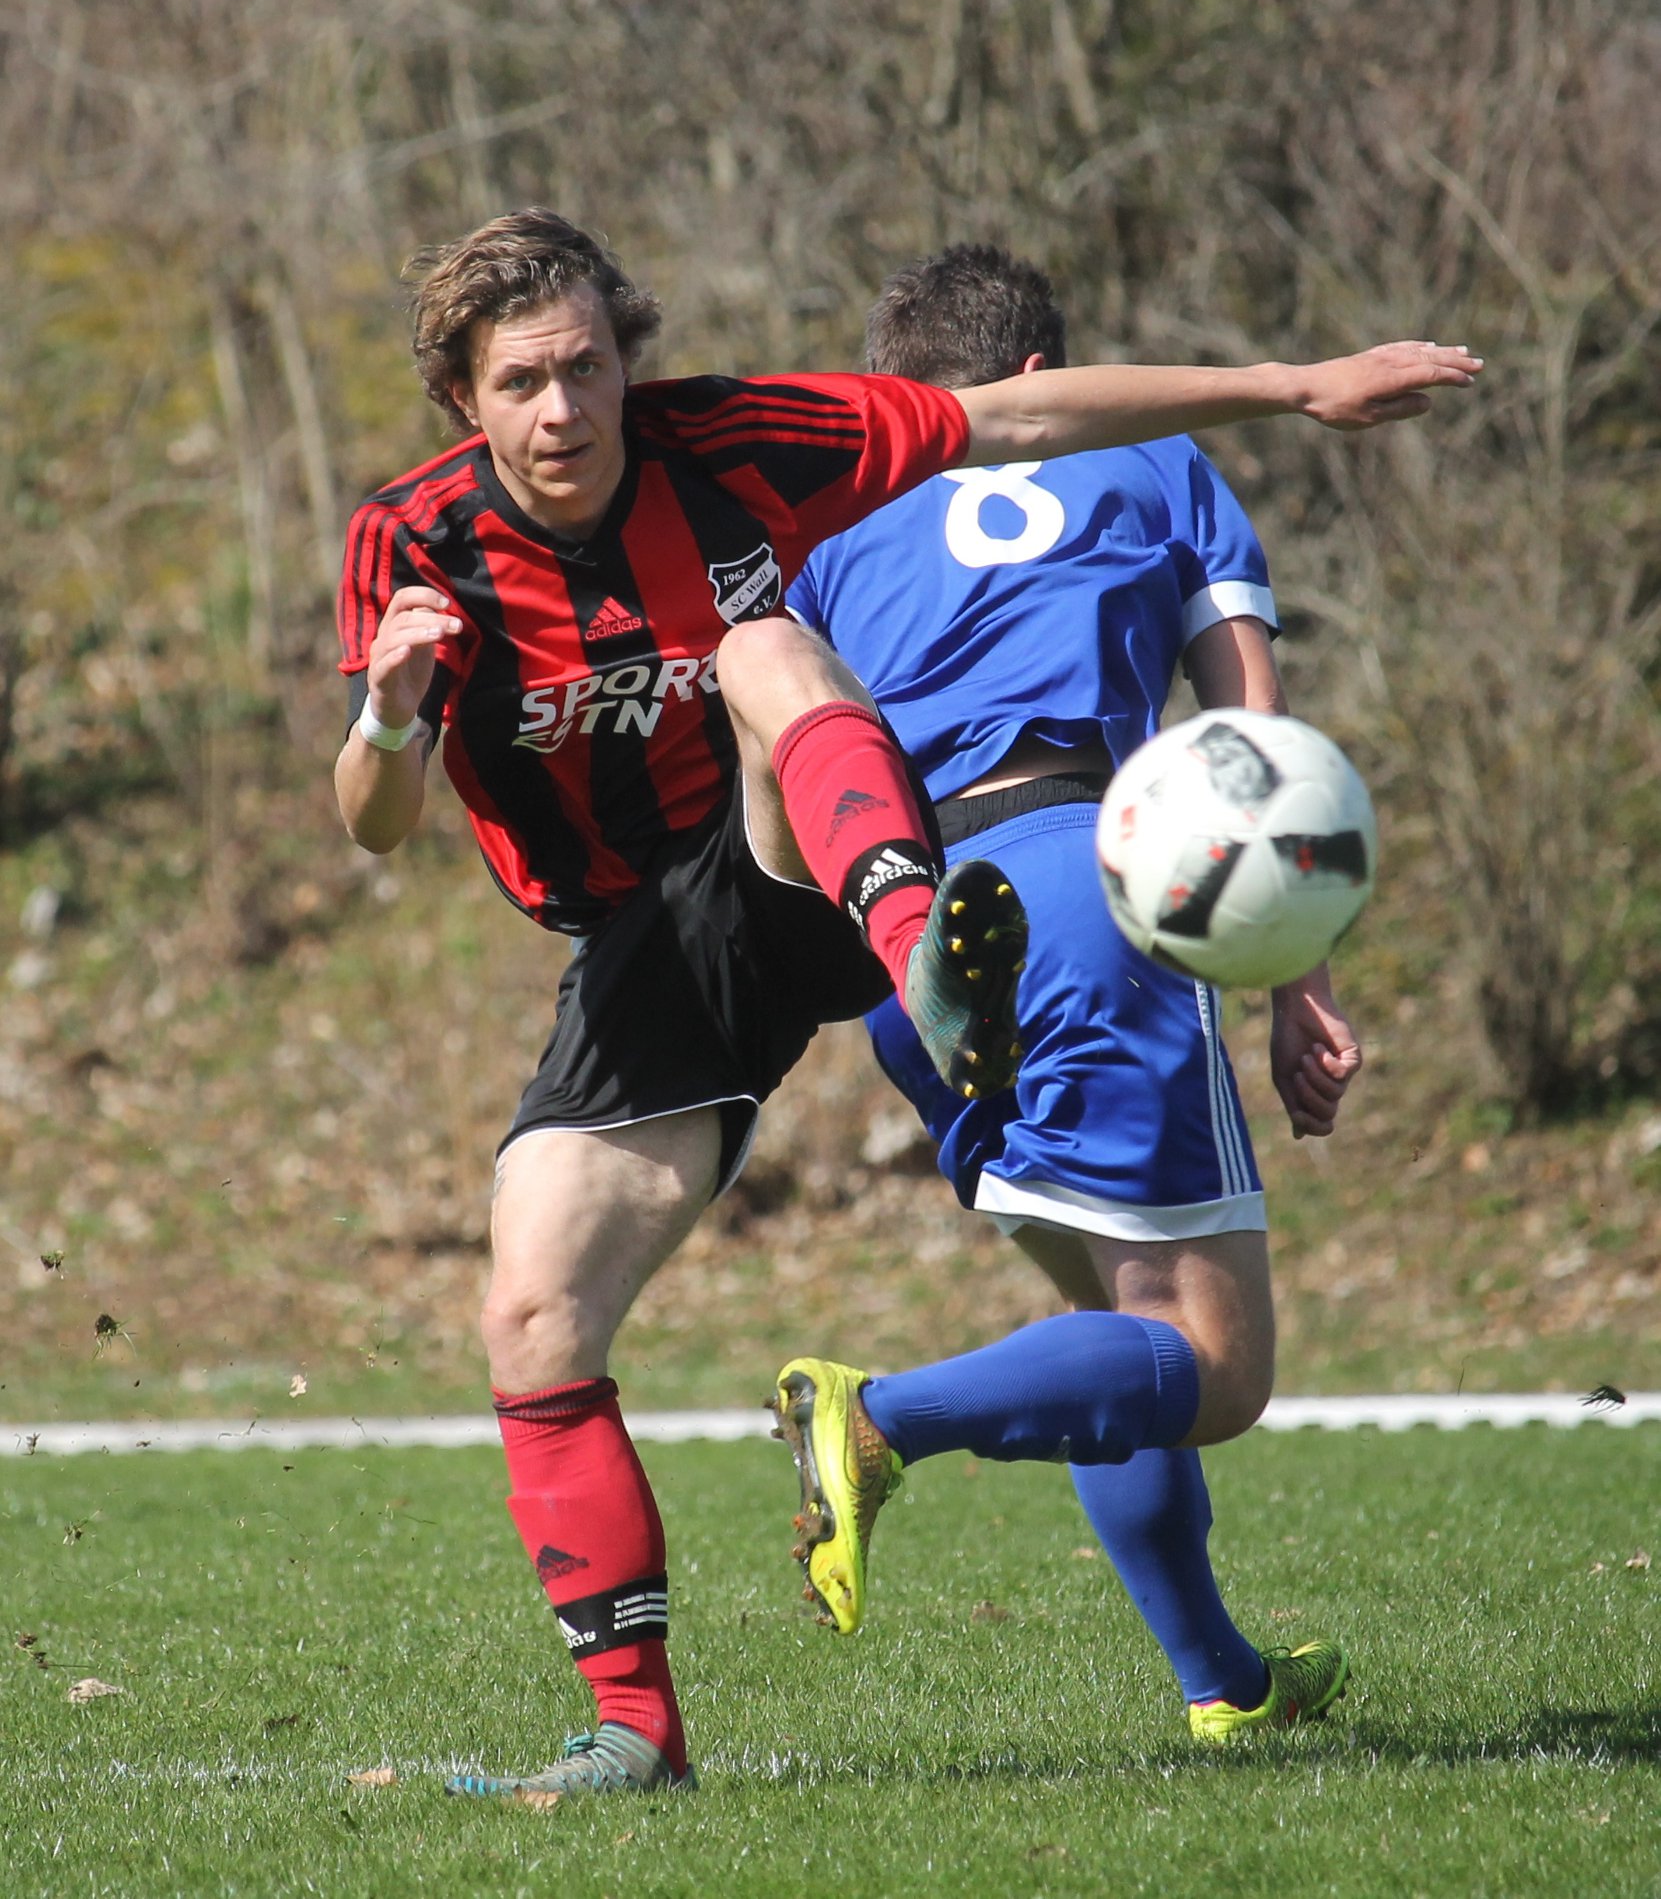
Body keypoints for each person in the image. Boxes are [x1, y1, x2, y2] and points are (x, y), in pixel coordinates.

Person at [333, 207, 1479, 1801]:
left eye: (589, 366)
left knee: (758, 650)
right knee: (531, 1314)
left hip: (824, 857)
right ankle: (634, 1734)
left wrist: (1294, 384)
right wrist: (389, 720)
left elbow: (1004, 413)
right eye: (523, 381)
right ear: (463, 400)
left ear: (625, 358)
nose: (565, 409)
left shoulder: (737, 444)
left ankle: (918, 943)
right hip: (661, 949)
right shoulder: (411, 544)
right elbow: (372, 826)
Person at [772, 245, 1427, 1741]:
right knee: (1212, 1368)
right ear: (1046, 379)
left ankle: (1224, 1685)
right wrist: (1290, 968)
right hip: (1080, 886)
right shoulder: (1154, 453)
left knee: (1112, 1321)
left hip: (909, 939)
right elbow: (1249, 749)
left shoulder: (827, 502)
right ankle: (871, 1419)